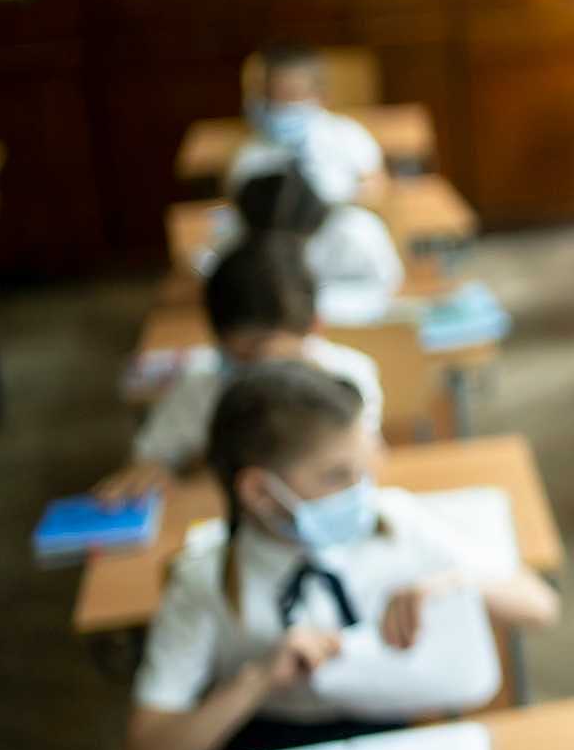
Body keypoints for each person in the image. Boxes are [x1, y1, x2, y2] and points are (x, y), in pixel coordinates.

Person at [123, 361, 559, 750]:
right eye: (336, 476)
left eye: (364, 469)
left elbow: (541, 606)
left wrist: (457, 585)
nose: (361, 493)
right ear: (259, 492)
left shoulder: (394, 522)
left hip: (390, 746)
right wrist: (255, 682)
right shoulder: (204, 580)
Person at [96, 236, 383, 504]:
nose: (256, 372)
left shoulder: (348, 376)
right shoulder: (201, 385)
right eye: (240, 356)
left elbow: (367, 460)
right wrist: (153, 472)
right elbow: (150, 458)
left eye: (263, 351)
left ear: (314, 327)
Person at [216, 166, 405, 325]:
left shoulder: (356, 229)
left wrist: (314, 302)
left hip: (353, 323)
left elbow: (386, 288)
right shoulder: (251, 229)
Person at [226, 43, 385, 205]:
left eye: (292, 94)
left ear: (320, 96)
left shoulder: (348, 135)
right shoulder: (251, 154)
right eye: (273, 96)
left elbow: (375, 184)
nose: (282, 105)